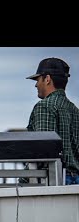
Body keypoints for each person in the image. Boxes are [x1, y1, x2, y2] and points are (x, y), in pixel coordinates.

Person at [26, 57, 79, 185]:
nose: (36, 84)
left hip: (54, 179)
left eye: (38, 79)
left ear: (47, 79)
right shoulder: (74, 110)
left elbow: (43, 150)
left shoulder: (44, 106)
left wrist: (24, 178)